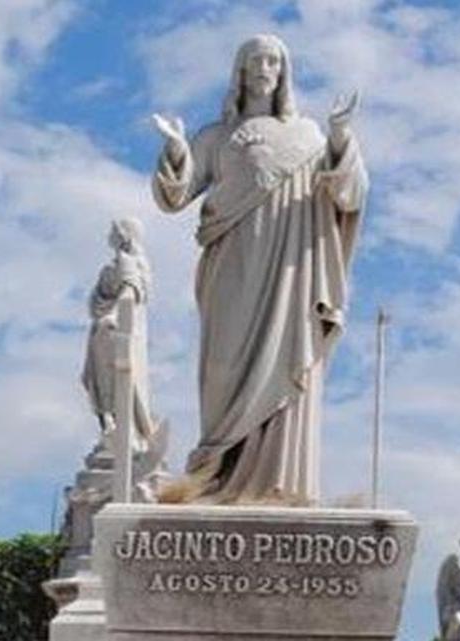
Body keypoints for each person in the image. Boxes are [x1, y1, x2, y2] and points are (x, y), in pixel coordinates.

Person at [151, 34, 368, 503]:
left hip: (290, 271)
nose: (265, 68)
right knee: (224, 367)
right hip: (231, 267)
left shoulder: (309, 136)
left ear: (284, 71)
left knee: (285, 360)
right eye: (256, 60)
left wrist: (340, 138)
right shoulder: (216, 137)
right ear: (241, 71)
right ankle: (216, 475)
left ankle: (277, 483)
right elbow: (176, 195)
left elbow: (347, 193)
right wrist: (176, 150)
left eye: (274, 61)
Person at [81, 218, 156, 449]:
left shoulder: (130, 262)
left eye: (113, 232)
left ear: (124, 235)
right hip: (101, 331)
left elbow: (131, 293)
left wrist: (113, 317)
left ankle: (124, 427)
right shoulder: (111, 267)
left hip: (114, 331)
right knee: (94, 378)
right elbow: (95, 302)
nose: (109, 236)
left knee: (116, 378)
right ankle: (109, 423)